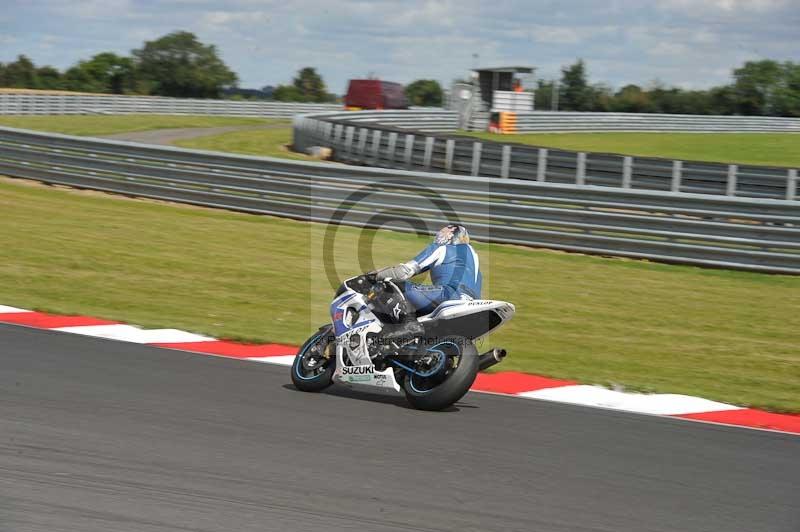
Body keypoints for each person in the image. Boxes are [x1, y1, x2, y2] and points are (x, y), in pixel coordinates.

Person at [372, 224, 482, 338]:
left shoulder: (443, 248)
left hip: (449, 295)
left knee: (391, 284)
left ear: (452, 235)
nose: (439, 236)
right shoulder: (474, 263)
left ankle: (409, 324)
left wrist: (375, 276)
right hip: (474, 305)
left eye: (443, 232)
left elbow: (404, 272)